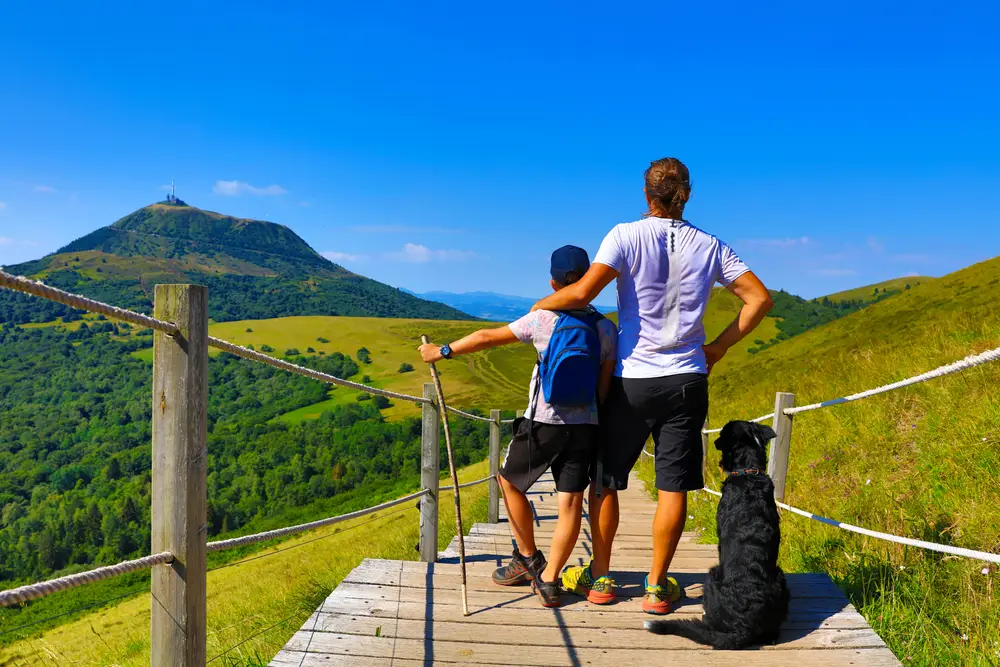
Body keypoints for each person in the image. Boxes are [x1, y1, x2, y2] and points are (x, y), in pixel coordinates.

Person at [532, 157, 773, 615]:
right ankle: (657, 587)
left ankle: (601, 577)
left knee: (606, 481)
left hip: (632, 379)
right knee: (672, 488)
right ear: (688, 194)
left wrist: (538, 307)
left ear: (646, 194)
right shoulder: (712, 246)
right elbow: (759, 299)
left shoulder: (624, 235)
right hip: (687, 379)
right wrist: (718, 348)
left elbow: (581, 293)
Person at [419, 245, 617, 608]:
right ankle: (550, 580)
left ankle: (527, 557)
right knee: (571, 501)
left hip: (544, 422)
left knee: (508, 482)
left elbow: (486, 338)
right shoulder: (606, 328)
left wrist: (441, 352)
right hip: (586, 425)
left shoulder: (543, 319)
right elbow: (604, 387)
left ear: (553, 283)